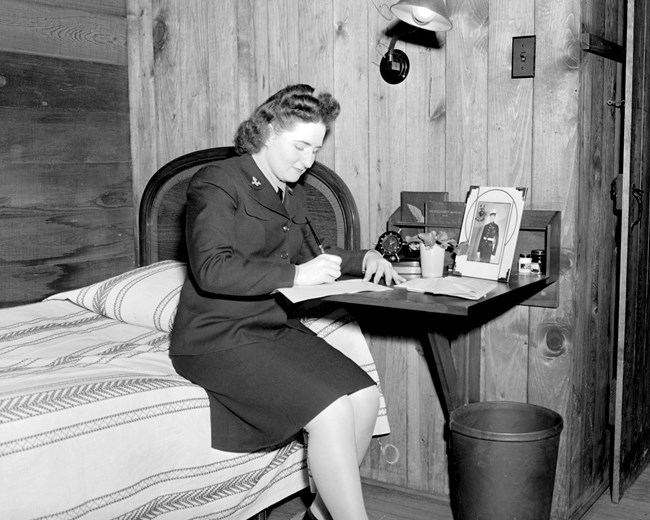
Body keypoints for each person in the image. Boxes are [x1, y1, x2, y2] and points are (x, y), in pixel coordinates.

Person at [170, 84, 405, 520]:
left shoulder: (291, 193)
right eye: (300, 146)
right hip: (217, 337)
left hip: (270, 327)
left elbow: (316, 254)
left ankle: (317, 515)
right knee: (331, 409)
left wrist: (363, 258)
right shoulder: (218, 182)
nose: (308, 161)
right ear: (266, 130)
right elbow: (211, 268)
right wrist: (296, 275)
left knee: (366, 396)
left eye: (316, 149)